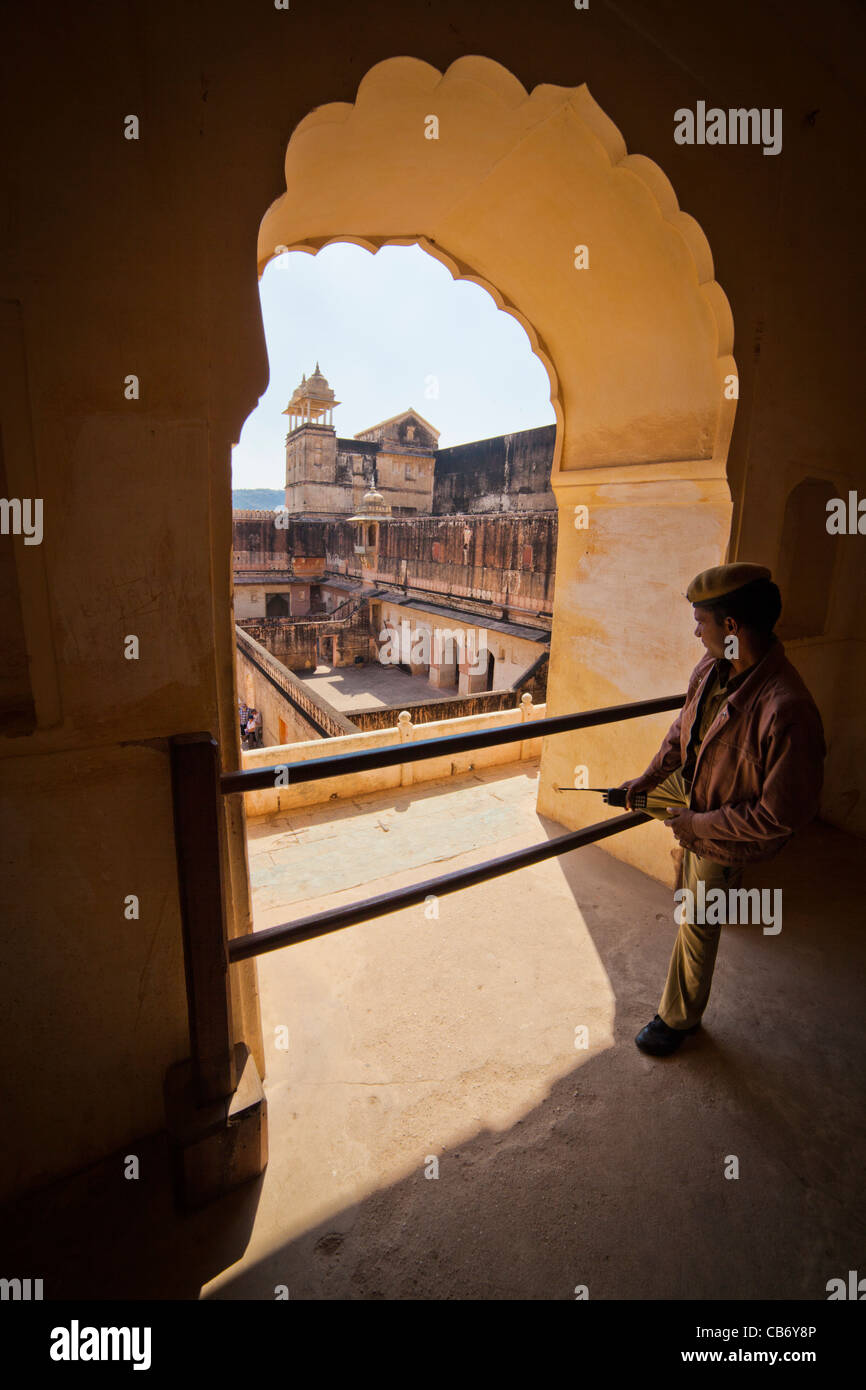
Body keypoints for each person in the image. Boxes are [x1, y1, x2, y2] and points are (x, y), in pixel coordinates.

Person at [620, 563, 825, 1057]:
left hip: (724, 827)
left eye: (700, 620)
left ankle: (678, 1019)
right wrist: (648, 779)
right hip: (698, 799)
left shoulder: (787, 707)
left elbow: (779, 816)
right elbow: (682, 730)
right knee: (638, 806)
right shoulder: (713, 670)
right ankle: (687, 859)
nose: (695, 631)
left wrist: (695, 825)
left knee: (697, 920)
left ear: (731, 627)